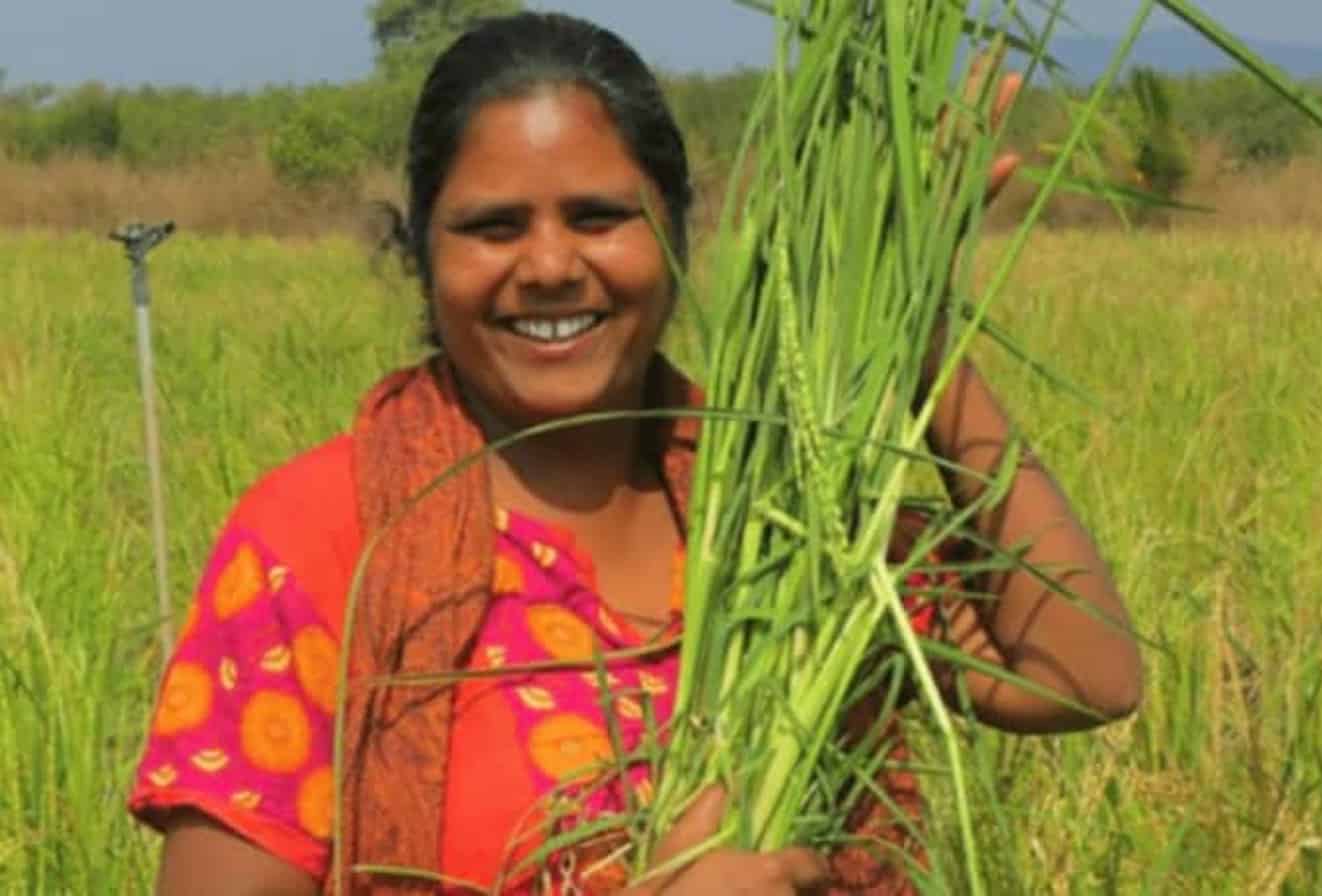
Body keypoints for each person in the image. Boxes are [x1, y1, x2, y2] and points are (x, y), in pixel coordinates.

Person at [129, 12, 1143, 896]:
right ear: (422, 254)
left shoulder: (786, 514)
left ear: (678, 231)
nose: (551, 265)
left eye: (600, 216)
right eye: (492, 227)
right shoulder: (319, 538)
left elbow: (1081, 672)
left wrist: (916, 321)